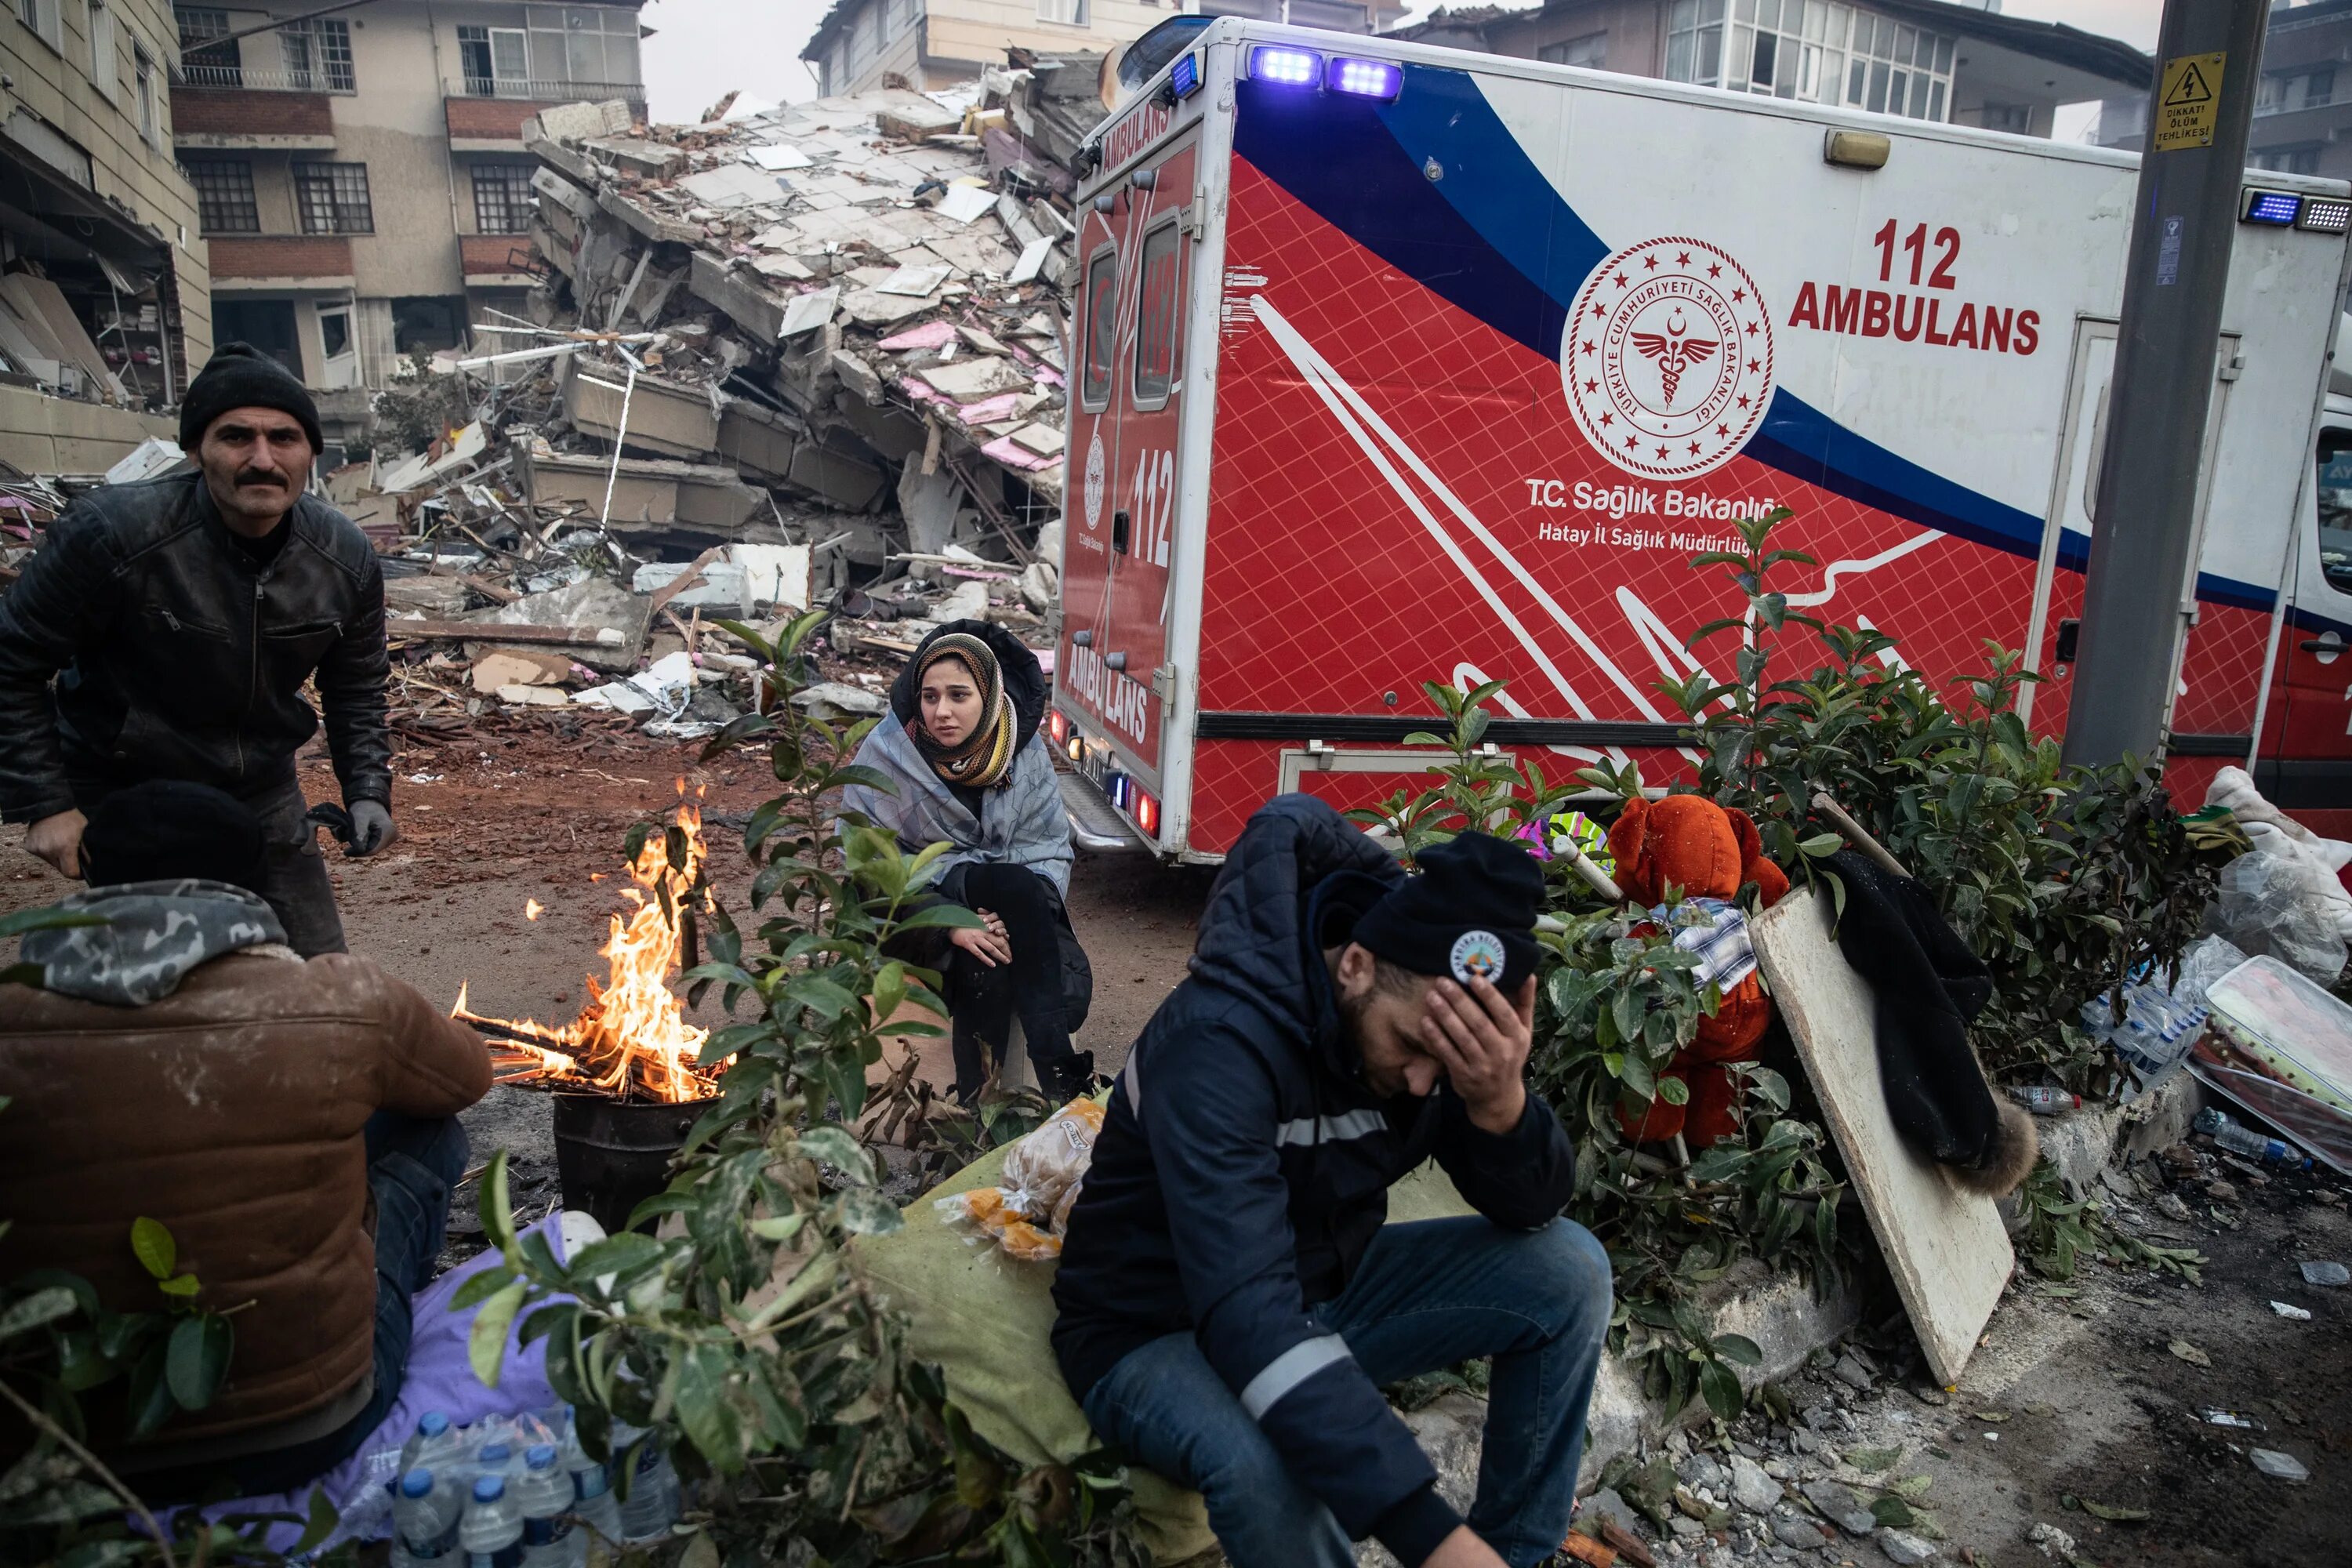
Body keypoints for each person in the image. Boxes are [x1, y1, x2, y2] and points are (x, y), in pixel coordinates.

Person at [1051, 796, 1610, 1568]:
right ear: (1355, 963)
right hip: (1154, 1325)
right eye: (1412, 1046)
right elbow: (1246, 1306)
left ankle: (1517, 1552)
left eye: (1448, 1067)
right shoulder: (1217, 1044)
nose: (1422, 1084)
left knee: (1567, 1270)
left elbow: (1532, 1207)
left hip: (1313, 1290)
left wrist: (1499, 1105)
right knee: (1276, 1465)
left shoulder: (1430, 1042)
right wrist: (1430, 1535)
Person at [0, 779, 488, 1494]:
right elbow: (466, 1077)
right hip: (306, 1425)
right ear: (253, 882)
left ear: (94, 877)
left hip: (72, 1440)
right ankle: (390, 1315)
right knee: (427, 1127)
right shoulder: (341, 1000)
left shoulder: (13, 1012)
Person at [0, 342, 397, 956]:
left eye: (284, 438)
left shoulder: (344, 558)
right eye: (236, 436)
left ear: (311, 453)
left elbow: (358, 685)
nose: (263, 460)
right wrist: (48, 805)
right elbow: (12, 660)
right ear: (195, 451)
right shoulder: (111, 535)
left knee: (319, 975)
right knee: (161, 978)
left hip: (259, 787)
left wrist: (367, 788)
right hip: (127, 788)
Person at [840, 620, 1094, 1102]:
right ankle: (1063, 1079)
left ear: (991, 697)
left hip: (1016, 904)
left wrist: (993, 921)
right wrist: (952, 924)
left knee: (999, 933)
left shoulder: (1023, 751)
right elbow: (867, 873)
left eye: (959, 695)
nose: (942, 712)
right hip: (912, 911)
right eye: (930, 697)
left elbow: (1047, 847)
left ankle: (976, 1110)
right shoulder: (888, 755)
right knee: (989, 925)